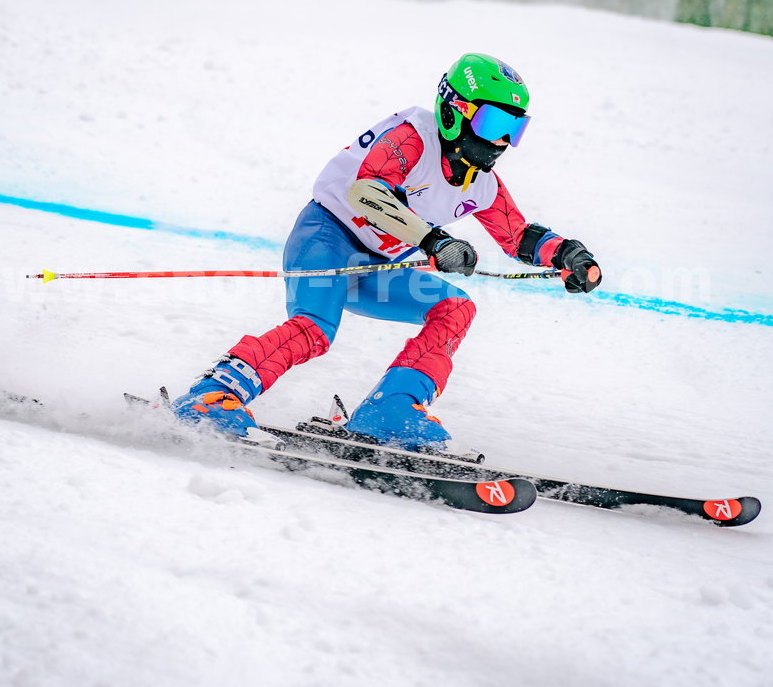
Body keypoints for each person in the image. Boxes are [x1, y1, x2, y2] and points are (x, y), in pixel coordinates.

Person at [172, 53, 601, 452]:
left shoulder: (481, 181)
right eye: (493, 124)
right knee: (314, 330)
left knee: (455, 309)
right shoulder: (413, 138)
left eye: (516, 129)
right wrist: (435, 242)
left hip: (376, 266)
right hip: (327, 239)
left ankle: (390, 410)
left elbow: (518, 236)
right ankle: (213, 396)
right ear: (454, 112)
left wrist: (567, 255)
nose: (503, 141)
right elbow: (366, 192)